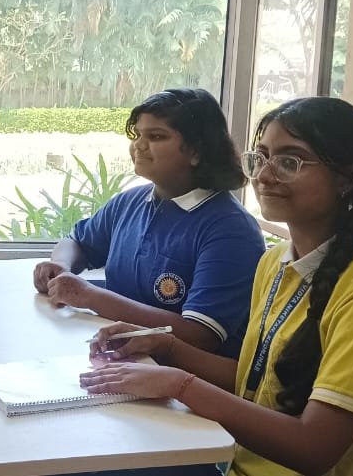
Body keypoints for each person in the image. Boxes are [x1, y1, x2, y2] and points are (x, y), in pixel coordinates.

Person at [81, 97, 353, 476]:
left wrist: (180, 386)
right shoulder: (275, 262)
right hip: (230, 459)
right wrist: (165, 345)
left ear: (347, 177)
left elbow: (314, 449)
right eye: (261, 158)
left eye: (290, 162)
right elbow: (253, 381)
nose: (264, 176)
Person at [34, 88, 264, 356]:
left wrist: (90, 296)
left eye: (156, 136)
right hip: (120, 357)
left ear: (196, 151)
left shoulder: (231, 231)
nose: (139, 146)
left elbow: (200, 335)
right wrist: (61, 265)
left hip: (180, 374)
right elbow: (78, 242)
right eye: (137, 135)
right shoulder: (129, 202)